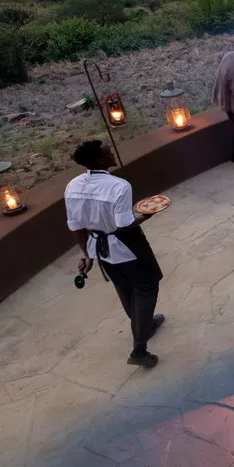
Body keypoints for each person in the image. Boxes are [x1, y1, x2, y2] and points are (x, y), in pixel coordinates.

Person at [66, 139, 165, 368]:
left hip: (98, 246)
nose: (113, 152)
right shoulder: (119, 186)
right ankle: (139, 349)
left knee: (124, 287)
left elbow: (75, 225)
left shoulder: (73, 185)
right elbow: (124, 223)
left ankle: (145, 325)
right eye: (109, 151)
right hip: (126, 244)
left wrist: (88, 255)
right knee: (146, 287)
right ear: (101, 160)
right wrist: (147, 214)